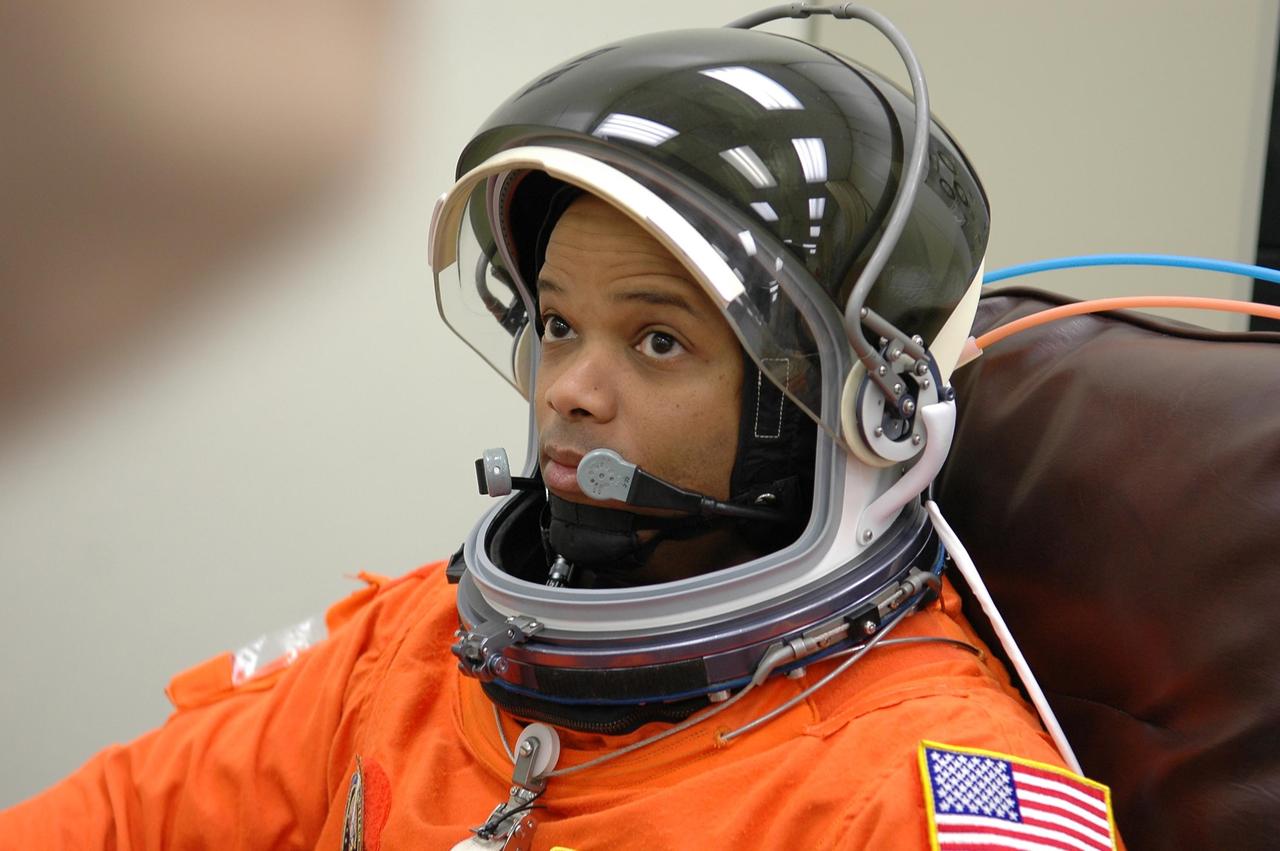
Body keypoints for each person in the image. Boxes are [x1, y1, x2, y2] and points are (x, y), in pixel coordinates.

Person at [0, 13, 1124, 850]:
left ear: (850, 413)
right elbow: (110, 819)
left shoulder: (917, 794)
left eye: (656, 341)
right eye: (555, 322)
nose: (565, 391)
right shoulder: (418, 643)